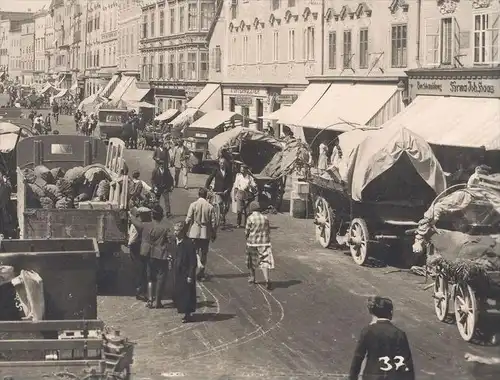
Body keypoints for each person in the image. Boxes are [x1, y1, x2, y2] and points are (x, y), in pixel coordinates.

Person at [349, 296, 415, 380]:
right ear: (390, 312)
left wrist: (352, 377)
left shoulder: (368, 331)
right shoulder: (399, 333)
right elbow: (406, 363)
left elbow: (358, 357)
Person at [129, 205, 173, 309]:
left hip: (148, 254)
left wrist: (130, 214)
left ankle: (150, 300)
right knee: (161, 277)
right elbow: (170, 242)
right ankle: (158, 301)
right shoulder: (166, 227)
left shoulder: (145, 225)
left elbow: (135, 222)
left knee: (150, 278)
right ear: (161, 216)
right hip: (161, 254)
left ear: (152, 215)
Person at [185, 187, 217, 281]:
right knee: (204, 252)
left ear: (198, 194)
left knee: (194, 251)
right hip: (205, 232)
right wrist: (213, 233)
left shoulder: (193, 205)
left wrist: (185, 230)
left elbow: (188, 219)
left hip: (195, 230)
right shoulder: (210, 207)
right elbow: (213, 222)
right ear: (206, 195)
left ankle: (195, 267)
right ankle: (201, 273)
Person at [172, 221, 197, 323]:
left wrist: (190, 275)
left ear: (182, 232)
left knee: (187, 293)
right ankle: (182, 310)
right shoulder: (175, 242)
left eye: (177, 230)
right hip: (177, 272)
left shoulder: (188, 243)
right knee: (179, 292)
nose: (175, 232)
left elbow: (192, 261)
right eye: (174, 230)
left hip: (186, 272)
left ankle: (187, 314)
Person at [245, 202, 274, 290]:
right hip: (264, 243)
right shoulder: (265, 218)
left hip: (252, 242)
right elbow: (268, 230)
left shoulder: (250, 218)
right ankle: (267, 279)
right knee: (264, 261)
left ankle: (252, 277)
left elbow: (247, 231)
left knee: (251, 260)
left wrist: (247, 237)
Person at [128, 207, 151, 301]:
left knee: (140, 270)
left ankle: (140, 290)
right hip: (136, 247)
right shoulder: (141, 225)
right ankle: (140, 291)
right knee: (141, 270)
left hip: (134, 246)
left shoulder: (136, 223)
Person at [205, 157, 233, 226]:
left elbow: (231, 182)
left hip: (226, 192)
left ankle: (222, 216)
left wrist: (228, 189)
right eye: (220, 163)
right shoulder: (216, 170)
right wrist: (206, 187)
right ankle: (221, 219)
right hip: (218, 191)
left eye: (223, 163)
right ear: (219, 163)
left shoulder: (228, 171)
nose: (222, 164)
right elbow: (210, 178)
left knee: (226, 207)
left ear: (225, 164)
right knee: (220, 205)